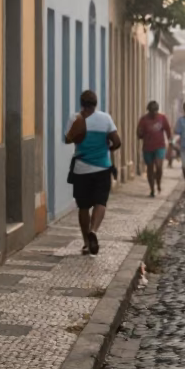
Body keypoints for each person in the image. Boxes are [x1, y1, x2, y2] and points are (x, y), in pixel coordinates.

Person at [65, 90, 121, 256]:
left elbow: (67, 139)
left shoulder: (75, 118)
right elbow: (117, 142)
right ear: (95, 103)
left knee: (83, 207)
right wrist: (107, 148)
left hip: (81, 169)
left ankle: (85, 242)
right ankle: (94, 231)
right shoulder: (105, 118)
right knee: (100, 202)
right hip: (102, 168)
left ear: (81, 103)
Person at [137, 100, 172, 197]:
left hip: (160, 146)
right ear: (148, 111)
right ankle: (152, 189)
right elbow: (139, 134)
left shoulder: (162, 118)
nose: (154, 113)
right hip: (147, 147)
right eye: (152, 111)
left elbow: (168, 131)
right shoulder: (143, 120)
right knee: (150, 168)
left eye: (155, 111)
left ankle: (159, 183)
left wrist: (170, 143)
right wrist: (140, 133)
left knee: (159, 166)